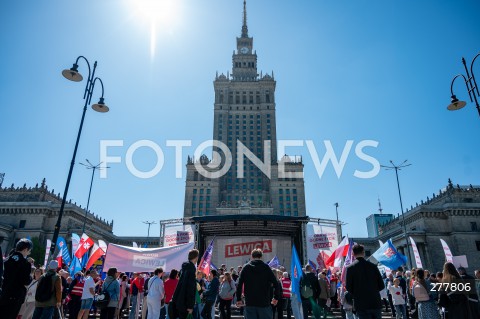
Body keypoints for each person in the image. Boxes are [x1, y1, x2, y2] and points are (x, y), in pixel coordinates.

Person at [235, 248, 281, 319]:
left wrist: (238, 299)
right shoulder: (266, 268)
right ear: (261, 256)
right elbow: (276, 283)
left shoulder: (246, 268)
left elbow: (239, 285)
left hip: (250, 303)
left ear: (251, 256)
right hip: (264, 303)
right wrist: (276, 297)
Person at [345, 244, 385, 319]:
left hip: (361, 304)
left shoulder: (350, 268)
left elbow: (348, 287)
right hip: (375, 302)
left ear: (353, 254)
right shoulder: (373, 266)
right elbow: (382, 285)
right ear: (363, 253)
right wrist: (373, 291)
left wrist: (358, 293)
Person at [0, 238, 34, 319]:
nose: (29, 253)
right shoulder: (25, 263)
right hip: (15, 296)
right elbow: (26, 281)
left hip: (2, 293)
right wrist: (31, 275)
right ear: (26, 249)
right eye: (29, 250)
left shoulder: (6, 259)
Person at [169, 249, 199, 319]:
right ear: (196, 257)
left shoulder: (184, 268)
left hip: (179, 301)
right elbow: (190, 289)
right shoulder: (191, 270)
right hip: (185, 304)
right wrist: (190, 306)